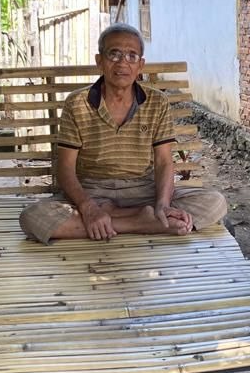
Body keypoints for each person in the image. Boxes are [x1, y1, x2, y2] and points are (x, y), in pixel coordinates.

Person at [19, 23, 228, 243]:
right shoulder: (77, 103)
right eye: (114, 54)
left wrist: (162, 205)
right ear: (99, 61)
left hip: (143, 191)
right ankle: (143, 223)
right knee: (32, 217)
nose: (122, 63)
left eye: (131, 56)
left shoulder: (157, 102)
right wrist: (88, 208)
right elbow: (65, 168)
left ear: (140, 65)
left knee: (215, 202)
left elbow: (164, 162)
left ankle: (116, 220)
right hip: (93, 190)